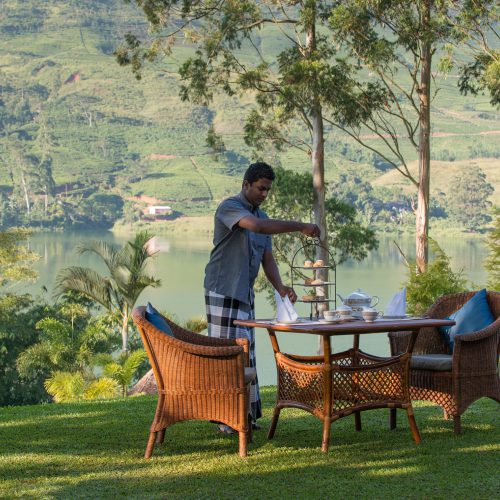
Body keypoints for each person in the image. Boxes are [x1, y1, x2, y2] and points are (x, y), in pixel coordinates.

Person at [204, 162, 320, 433]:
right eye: (260, 188)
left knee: (246, 353)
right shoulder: (230, 207)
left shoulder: (262, 215)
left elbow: (267, 258)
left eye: (267, 190)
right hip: (222, 288)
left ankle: (245, 416)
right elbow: (257, 227)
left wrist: (280, 287)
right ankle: (225, 419)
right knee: (226, 353)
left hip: (244, 292)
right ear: (246, 184)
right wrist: (300, 226)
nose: (264, 194)